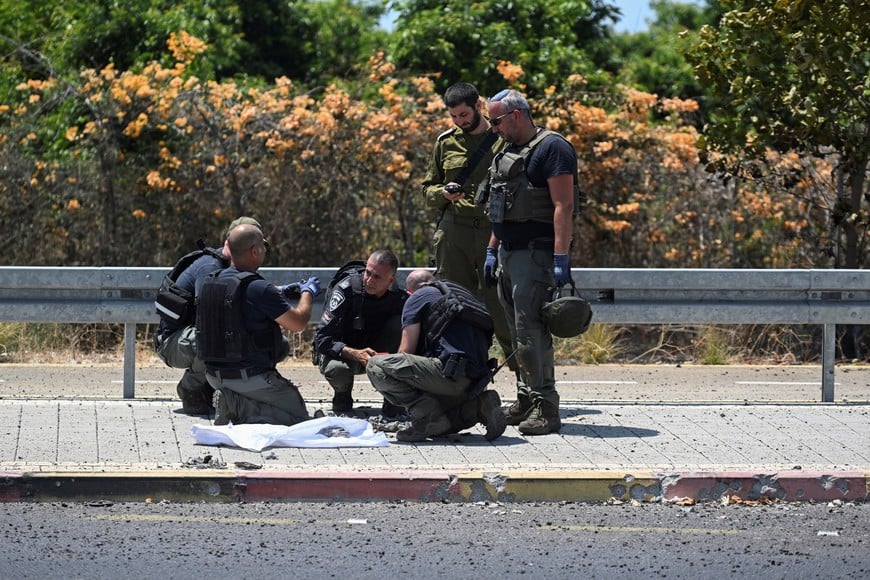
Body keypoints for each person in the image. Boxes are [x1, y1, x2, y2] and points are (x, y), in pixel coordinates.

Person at [482, 89, 582, 435]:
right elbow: (500, 205)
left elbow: (563, 206)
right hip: (509, 253)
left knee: (532, 332)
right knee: (514, 331)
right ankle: (525, 397)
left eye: (495, 121)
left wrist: (560, 257)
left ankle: (545, 407)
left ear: (517, 115)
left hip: (535, 254)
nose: (493, 128)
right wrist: (493, 248)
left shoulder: (552, 148)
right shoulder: (508, 148)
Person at [421, 82, 515, 372]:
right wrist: (443, 194)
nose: (460, 122)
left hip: (494, 232)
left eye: (464, 114)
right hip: (454, 232)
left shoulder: (504, 138)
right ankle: (459, 372)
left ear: (478, 105)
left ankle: (524, 380)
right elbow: (427, 190)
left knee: (502, 307)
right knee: (453, 305)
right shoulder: (446, 142)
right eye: (454, 117)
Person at [198, 223, 321, 425]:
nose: (265, 249)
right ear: (255, 251)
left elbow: (244, 298)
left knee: (280, 345)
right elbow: (298, 323)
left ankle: (235, 399)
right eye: (263, 246)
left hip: (213, 375)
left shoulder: (212, 281)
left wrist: (279, 292)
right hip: (247, 378)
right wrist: (308, 292)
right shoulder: (259, 288)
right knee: (298, 416)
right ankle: (237, 405)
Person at [366, 269, 506, 442]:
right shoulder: (459, 294)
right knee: (445, 424)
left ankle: (427, 417)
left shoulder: (416, 298)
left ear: (410, 291)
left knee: (376, 366)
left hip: (449, 374)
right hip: (477, 379)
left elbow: (405, 352)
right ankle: (480, 406)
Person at [154, 216, 260, 415]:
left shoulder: (236, 268)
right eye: (247, 245)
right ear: (229, 243)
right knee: (215, 336)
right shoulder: (210, 267)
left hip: (192, 337)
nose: (253, 252)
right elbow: (210, 315)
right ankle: (190, 389)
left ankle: (219, 389)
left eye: (256, 246)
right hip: (173, 344)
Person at [313, 249, 407, 416]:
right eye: (367, 273)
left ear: (391, 280)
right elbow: (321, 339)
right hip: (342, 354)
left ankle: (393, 398)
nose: (369, 280)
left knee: (400, 326)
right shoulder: (346, 290)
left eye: (377, 277)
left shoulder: (399, 298)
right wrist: (354, 353)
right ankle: (342, 397)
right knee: (338, 371)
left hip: (377, 354)